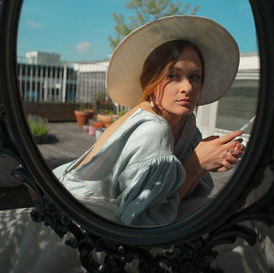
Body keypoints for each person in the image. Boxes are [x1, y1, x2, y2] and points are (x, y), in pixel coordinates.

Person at [53, 15, 244, 226]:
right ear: (151, 81)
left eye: (195, 76)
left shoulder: (187, 124)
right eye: (173, 76)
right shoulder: (153, 130)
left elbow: (181, 195)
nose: (187, 87)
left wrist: (210, 160)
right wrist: (196, 166)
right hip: (74, 215)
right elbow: (143, 223)